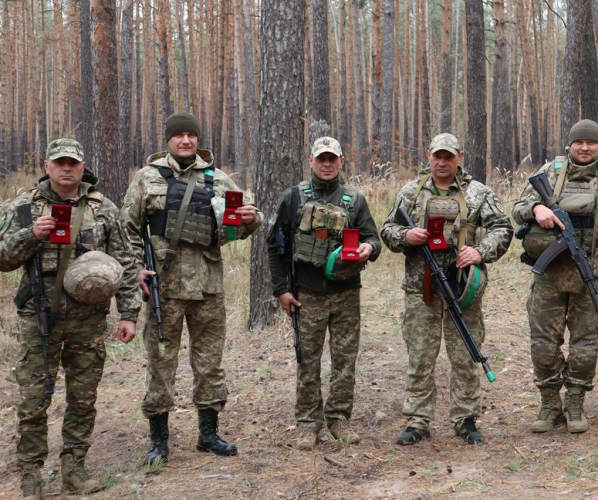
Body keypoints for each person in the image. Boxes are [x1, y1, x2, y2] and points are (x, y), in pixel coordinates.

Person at [0, 139, 142, 498]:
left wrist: (128, 314)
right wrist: (31, 234)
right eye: (59, 162)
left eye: (73, 163)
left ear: (82, 167)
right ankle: (30, 475)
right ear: (47, 165)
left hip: (89, 320)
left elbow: (125, 263)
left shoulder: (103, 208)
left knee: (83, 398)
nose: (66, 168)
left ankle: (74, 468)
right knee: (34, 399)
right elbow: (2, 258)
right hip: (39, 318)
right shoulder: (23, 207)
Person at [120, 112, 263, 464]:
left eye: (191, 135)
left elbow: (241, 223)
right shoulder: (147, 179)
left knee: (210, 364)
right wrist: (137, 268)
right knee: (161, 363)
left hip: (208, 286)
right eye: (179, 135)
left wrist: (251, 219)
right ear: (168, 140)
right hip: (164, 288)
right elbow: (128, 230)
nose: (186, 141)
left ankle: (208, 435)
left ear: (198, 139)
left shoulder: (218, 179)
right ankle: (158, 440)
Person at [513, 119, 598, 434]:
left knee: (586, 346)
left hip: (591, 275)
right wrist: (535, 209)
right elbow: (517, 209)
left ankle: (574, 402)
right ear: (569, 145)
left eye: (591, 143)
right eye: (579, 142)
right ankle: (549, 403)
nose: (584, 148)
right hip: (550, 277)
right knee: (543, 344)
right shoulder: (550, 174)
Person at [381, 133, 512, 445]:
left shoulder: (478, 192)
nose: (442, 162)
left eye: (448, 157)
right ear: (429, 156)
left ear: (459, 157)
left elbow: (503, 227)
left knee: (466, 353)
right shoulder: (411, 192)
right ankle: (418, 419)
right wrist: (407, 236)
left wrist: (481, 252)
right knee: (421, 355)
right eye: (437, 156)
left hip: (462, 288)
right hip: (419, 288)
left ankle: (465, 419)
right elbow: (387, 230)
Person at [266, 136, 381, 450]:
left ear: (342, 161)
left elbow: (374, 238)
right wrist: (281, 291)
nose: (327, 164)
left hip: (347, 294)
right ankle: (308, 423)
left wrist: (368, 247)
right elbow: (275, 247)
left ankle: (339, 419)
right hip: (307, 294)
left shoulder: (354, 200)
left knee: (345, 361)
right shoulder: (293, 199)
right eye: (322, 159)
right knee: (308, 361)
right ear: (311, 161)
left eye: (333, 159)